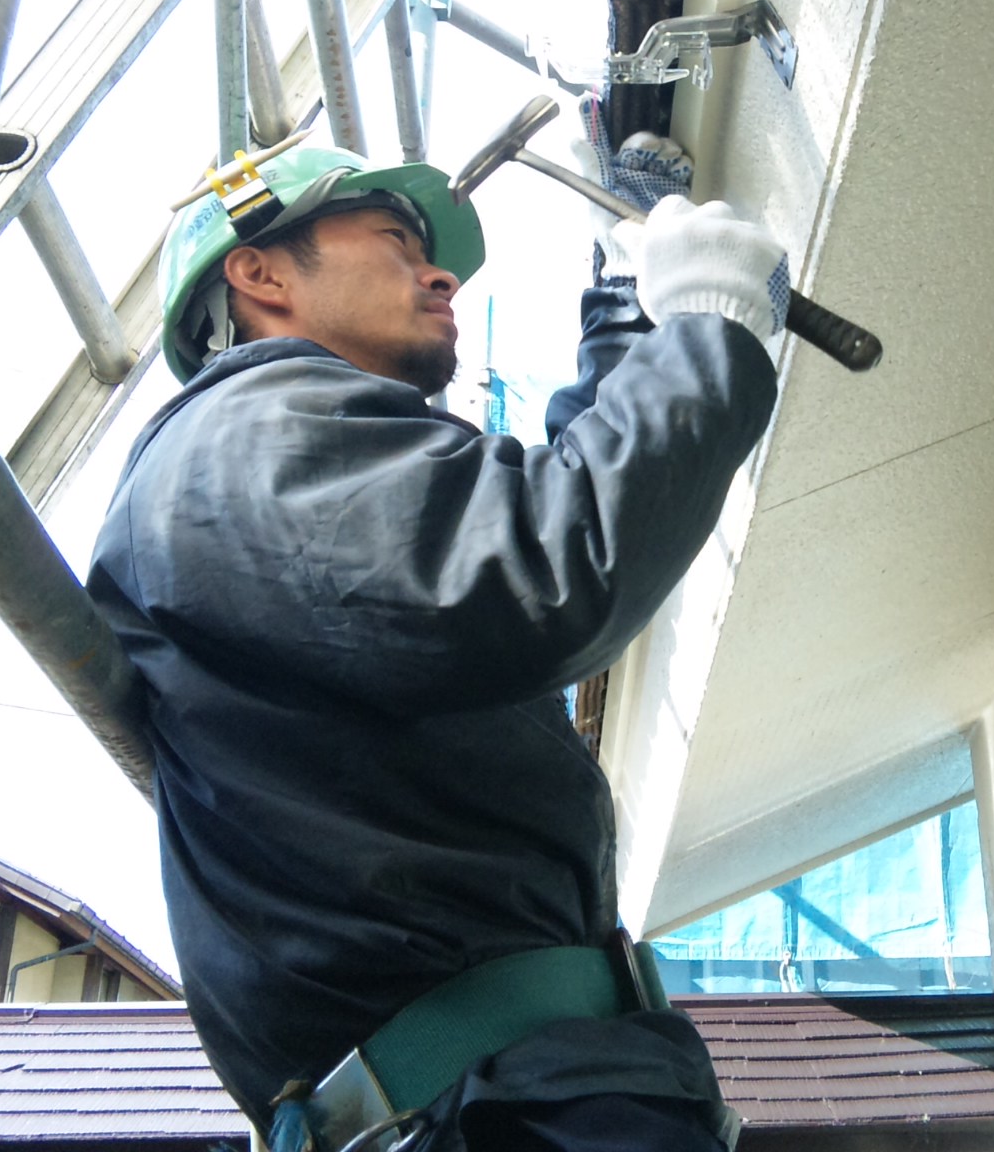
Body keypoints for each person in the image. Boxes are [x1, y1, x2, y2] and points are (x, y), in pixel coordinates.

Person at [87, 121, 786, 1152]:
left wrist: (626, 304)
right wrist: (705, 332)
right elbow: (544, 567)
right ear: (259, 272)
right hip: (501, 1113)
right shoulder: (246, 436)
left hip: (511, 1098)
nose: (440, 277)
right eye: (396, 242)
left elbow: (531, 516)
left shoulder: (281, 458)